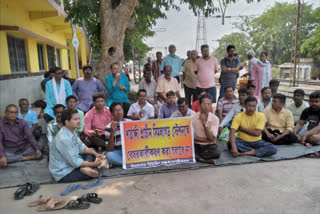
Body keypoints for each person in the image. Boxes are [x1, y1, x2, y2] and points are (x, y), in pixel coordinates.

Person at [49, 109, 104, 182]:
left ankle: (86, 168)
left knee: (92, 151)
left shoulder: (72, 130)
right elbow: (75, 162)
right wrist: (93, 164)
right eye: (75, 119)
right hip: (64, 172)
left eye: (78, 118)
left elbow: (81, 147)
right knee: (97, 172)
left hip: (74, 163)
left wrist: (96, 154)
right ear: (67, 122)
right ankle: (87, 168)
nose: (79, 121)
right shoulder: (63, 139)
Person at [192, 94, 220, 164]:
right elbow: (192, 138)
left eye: (209, 104)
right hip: (197, 144)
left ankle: (199, 158)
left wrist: (204, 123)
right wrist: (206, 140)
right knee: (187, 151)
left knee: (217, 153)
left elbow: (211, 138)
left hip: (209, 146)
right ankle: (205, 160)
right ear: (199, 105)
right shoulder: (193, 118)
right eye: (204, 104)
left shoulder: (215, 119)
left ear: (211, 105)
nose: (206, 107)